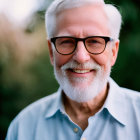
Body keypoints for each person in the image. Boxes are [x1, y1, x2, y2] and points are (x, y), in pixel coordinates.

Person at [6, 0, 140, 140]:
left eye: (94, 41)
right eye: (67, 41)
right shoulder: (23, 128)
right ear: (51, 51)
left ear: (113, 52)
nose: (81, 57)